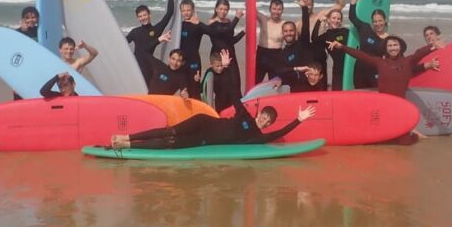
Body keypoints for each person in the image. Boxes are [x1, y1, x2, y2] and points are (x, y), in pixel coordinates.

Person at [110, 91, 316, 149]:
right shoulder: (245, 115)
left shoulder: (256, 137)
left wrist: (298, 120)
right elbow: (235, 95)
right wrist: (227, 68)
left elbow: (278, 134)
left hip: (203, 140)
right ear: (259, 113)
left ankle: (127, 145)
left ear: (268, 124)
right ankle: (126, 136)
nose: (264, 120)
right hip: (203, 122)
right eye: (263, 115)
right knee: (170, 131)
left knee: (170, 143)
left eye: (267, 120)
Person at [327, 36, 440, 98]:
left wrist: (433, 46)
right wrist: (342, 47)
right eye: (389, 46)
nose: (393, 48)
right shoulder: (380, 62)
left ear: (400, 47)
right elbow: (362, 55)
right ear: (386, 49)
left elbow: (418, 53)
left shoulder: (407, 61)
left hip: (401, 104)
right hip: (383, 103)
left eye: (395, 45)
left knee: (404, 141)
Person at [126, 0, 175, 85]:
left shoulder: (156, 30)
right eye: (140, 16)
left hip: (149, 65)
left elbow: (169, 13)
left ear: (149, 14)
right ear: (137, 18)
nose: (143, 18)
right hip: (137, 66)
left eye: (144, 15)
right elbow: (122, 44)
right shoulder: (135, 32)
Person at [348, 0, 389, 88]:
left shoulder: (388, 40)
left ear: (385, 21)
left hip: (375, 73)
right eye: (375, 21)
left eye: (380, 21)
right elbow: (352, 17)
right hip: (359, 71)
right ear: (372, 22)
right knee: (360, 98)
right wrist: (353, 3)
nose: (377, 24)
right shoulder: (365, 28)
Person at [207, 0, 245, 96]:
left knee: (235, 84)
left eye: (225, 9)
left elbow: (231, 41)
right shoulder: (212, 22)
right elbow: (224, 31)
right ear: (216, 9)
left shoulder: (228, 22)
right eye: (220, 9)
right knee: (221, 86)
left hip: (231, 56)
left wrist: (243, 32)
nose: (223, 12)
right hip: (218, 58)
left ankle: (235, 109)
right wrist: (237, 18)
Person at [178, 0, 213, 99]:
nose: (186, 12)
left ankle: (197, 111)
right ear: (180, 12)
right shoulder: (179, 26)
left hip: (194, 61)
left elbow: (212, 32)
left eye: (188, 10)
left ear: (193, 10)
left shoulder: (197, 25)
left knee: (195, 88)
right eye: (183, 10)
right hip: (182, 62)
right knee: (184, 89)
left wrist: (199, 23)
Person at [311, 9, 349, 90]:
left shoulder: (345, 32)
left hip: (349, 66)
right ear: (328, 19)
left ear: (341, 20)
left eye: (338, 18)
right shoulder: (326, 36)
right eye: (334, 18)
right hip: (337, 69)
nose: (336, 20)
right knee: (337, 93)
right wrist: (318, 21)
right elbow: (314, 39)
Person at [255, 0, 286, 83]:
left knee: (274, 84)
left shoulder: (284, 24)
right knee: (255, 82)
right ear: (270, 9)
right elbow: (250, 8)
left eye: (279, 9)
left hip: (276, 56)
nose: (276, 12)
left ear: (282, 10)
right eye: (274, 9)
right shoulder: (263, 19)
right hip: (262, 54)